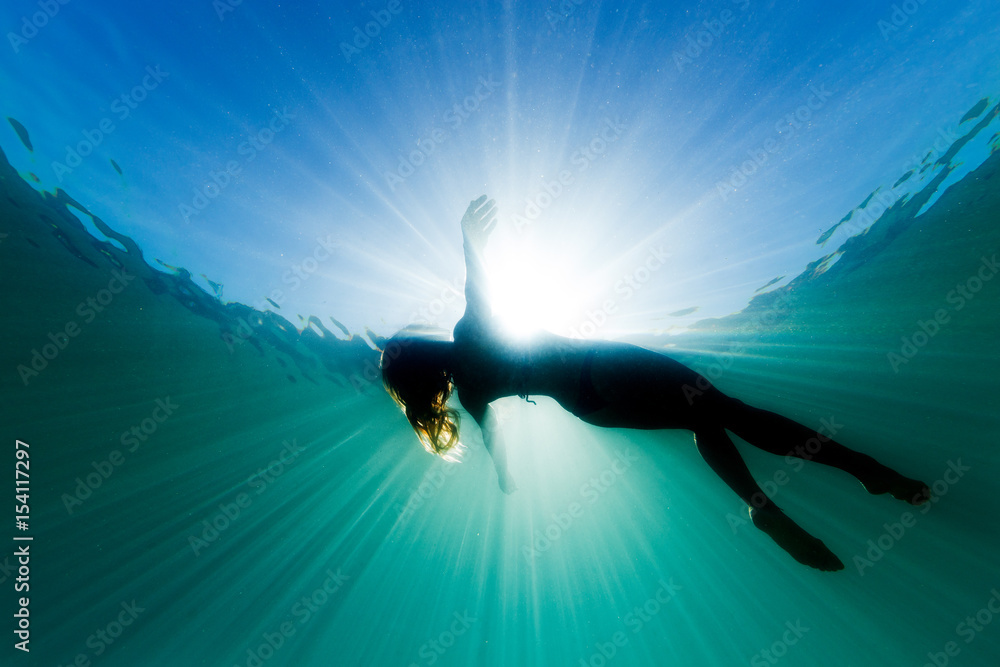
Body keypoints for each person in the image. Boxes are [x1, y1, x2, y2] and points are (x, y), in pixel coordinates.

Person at [381, 195, 930, 571]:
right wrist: (468, 238)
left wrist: (504, 477)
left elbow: (493, 435)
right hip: (601, 367)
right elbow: (479, 286)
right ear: (424, 348)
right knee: (724, 409)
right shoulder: (466, 330)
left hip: (590, 404)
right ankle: (862, 469)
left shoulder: (472, 390)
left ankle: (764, 507)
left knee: (702, 420)